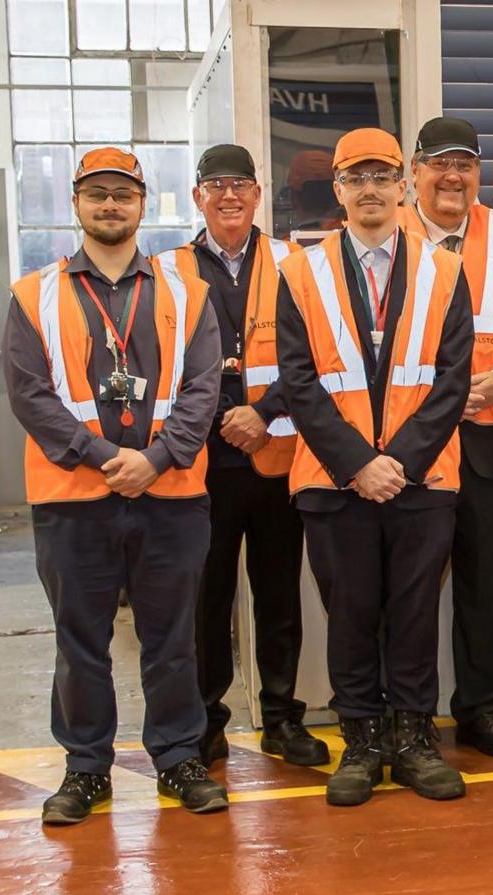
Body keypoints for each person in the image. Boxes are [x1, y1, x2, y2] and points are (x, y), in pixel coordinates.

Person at [4, 147, 228, 824]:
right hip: (74, 499)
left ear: (142, 204)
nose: (110, 205)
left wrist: (156, 459)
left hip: (172, 497)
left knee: (173, 637)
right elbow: (30, 395)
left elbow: (202, 388)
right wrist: (107, 456)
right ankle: (85, 768)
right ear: (76, 202)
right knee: (80, 640)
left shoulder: (188, 293)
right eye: (96, 194)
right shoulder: (31, 295)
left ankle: (178, 757)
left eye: (122, 195)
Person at [276, 127, 474, 807]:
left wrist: (401, 462)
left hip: (424, 480)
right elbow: (298, 383)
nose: (369, 189)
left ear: (403, 184)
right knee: (352, 613)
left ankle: (415, 738)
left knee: (416, 613)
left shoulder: (446, 269)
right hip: (335, 482)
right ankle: (360, 740)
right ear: (338, 189)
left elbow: (452, 381)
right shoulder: (299, 270)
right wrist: (361, 464)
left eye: (381, 175)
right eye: (354, 177)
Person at [397, 117, 493, 759]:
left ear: (479, 174)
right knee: (405, 592)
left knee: (488, 588)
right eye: (438, 163)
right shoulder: (383, 238)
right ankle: (400, 718)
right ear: (415, 172)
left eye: (464, 164)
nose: (452, 176)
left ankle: (480, 710)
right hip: (409, 449)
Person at [168, 145, 326, 770]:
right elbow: (164, 364)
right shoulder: (169, 268)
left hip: (277, 453)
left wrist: (262, 411)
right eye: (215, 185)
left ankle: (283, 718)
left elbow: (318, 351)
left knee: (279, 594)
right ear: (198, 197)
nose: (228, 195)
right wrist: (217, 419)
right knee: (206, 600)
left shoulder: (296, 262)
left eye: (240, 184)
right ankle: (207, 722)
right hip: (201, 464)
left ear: (258, 195)